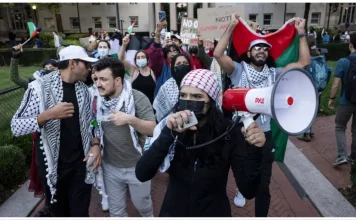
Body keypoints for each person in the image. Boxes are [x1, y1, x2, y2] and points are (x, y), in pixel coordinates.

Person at [214, 14, 310, 217]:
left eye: (265, 48)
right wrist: (231, 26)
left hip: (264, 135)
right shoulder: (238, 70)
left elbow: (304, 62)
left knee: (263, 186)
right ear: (249, 52)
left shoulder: (275, 74)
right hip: (239, 134)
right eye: (257, 47)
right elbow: (217, 54)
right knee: (239, 172)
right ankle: (242, 187)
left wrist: (301, 34)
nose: (262, 51)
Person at [136, 69, 268, 217]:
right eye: (183, 95)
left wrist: (255, 150)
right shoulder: (170, 126)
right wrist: (169, 134)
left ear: (210, 101)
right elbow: (142, 173)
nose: (188, 101)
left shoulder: (229, 132)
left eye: (197, 96)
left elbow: (248, 190)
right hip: (173, 210)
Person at [11, 45, 101, 217]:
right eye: (86, 64)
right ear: (72, 63)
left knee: (80, 212)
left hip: (81, 166)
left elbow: (94, 121)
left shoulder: (84, 90)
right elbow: (16, 126)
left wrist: (96, 143)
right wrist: (47, 115)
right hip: (53, 168)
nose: (89, 69)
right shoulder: (39, 88)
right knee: (59, 212)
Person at [92, 57, 155, 217]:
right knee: (116, 211)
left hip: (138, 165)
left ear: (118, 80)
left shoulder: (137, 98)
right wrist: (95, 144)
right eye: (96, 79)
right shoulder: (96, 101)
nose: (98, 83)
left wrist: (129, 119)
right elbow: (93, 124)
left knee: (142, 205)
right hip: (111, 166)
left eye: (104, 79)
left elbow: (152, 129)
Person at [328, 33, 356, 166]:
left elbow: (335, 84)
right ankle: (354, 156)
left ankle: (342, 155)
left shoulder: (344, 62)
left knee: (340, 126)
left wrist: (332, 98)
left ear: (350, 45)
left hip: (346, 101)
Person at [297, 36, 328, 142]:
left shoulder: (307, 59)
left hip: (309, 89)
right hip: (319, 88)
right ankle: (310, 130)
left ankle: (306, 134)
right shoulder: (321, 57)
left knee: (306, 110)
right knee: (313, 110)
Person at [153, 53, 191, 122]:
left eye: (185, 63)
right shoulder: (167, 86)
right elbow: (159, 109)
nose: (182, 65)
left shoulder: (195, 84)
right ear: (173, 68)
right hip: (170, 124)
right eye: (178, 64)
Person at [150, 18, 183, 97]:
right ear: (165, 54)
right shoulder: (161, 66)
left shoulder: (183, 64)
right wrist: (158, 33)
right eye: (170, 52)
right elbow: (155, 53)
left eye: (175, 51)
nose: (173, 54)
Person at [119, 34, 156, 104]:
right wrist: (124, 45)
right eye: (138, 58)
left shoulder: (152, 72)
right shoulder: (133, 70)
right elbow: (121, 59)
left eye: (142, 57)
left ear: (147, 60)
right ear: (135, 61)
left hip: (150, 107)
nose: (140, 59)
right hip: (135, 106)